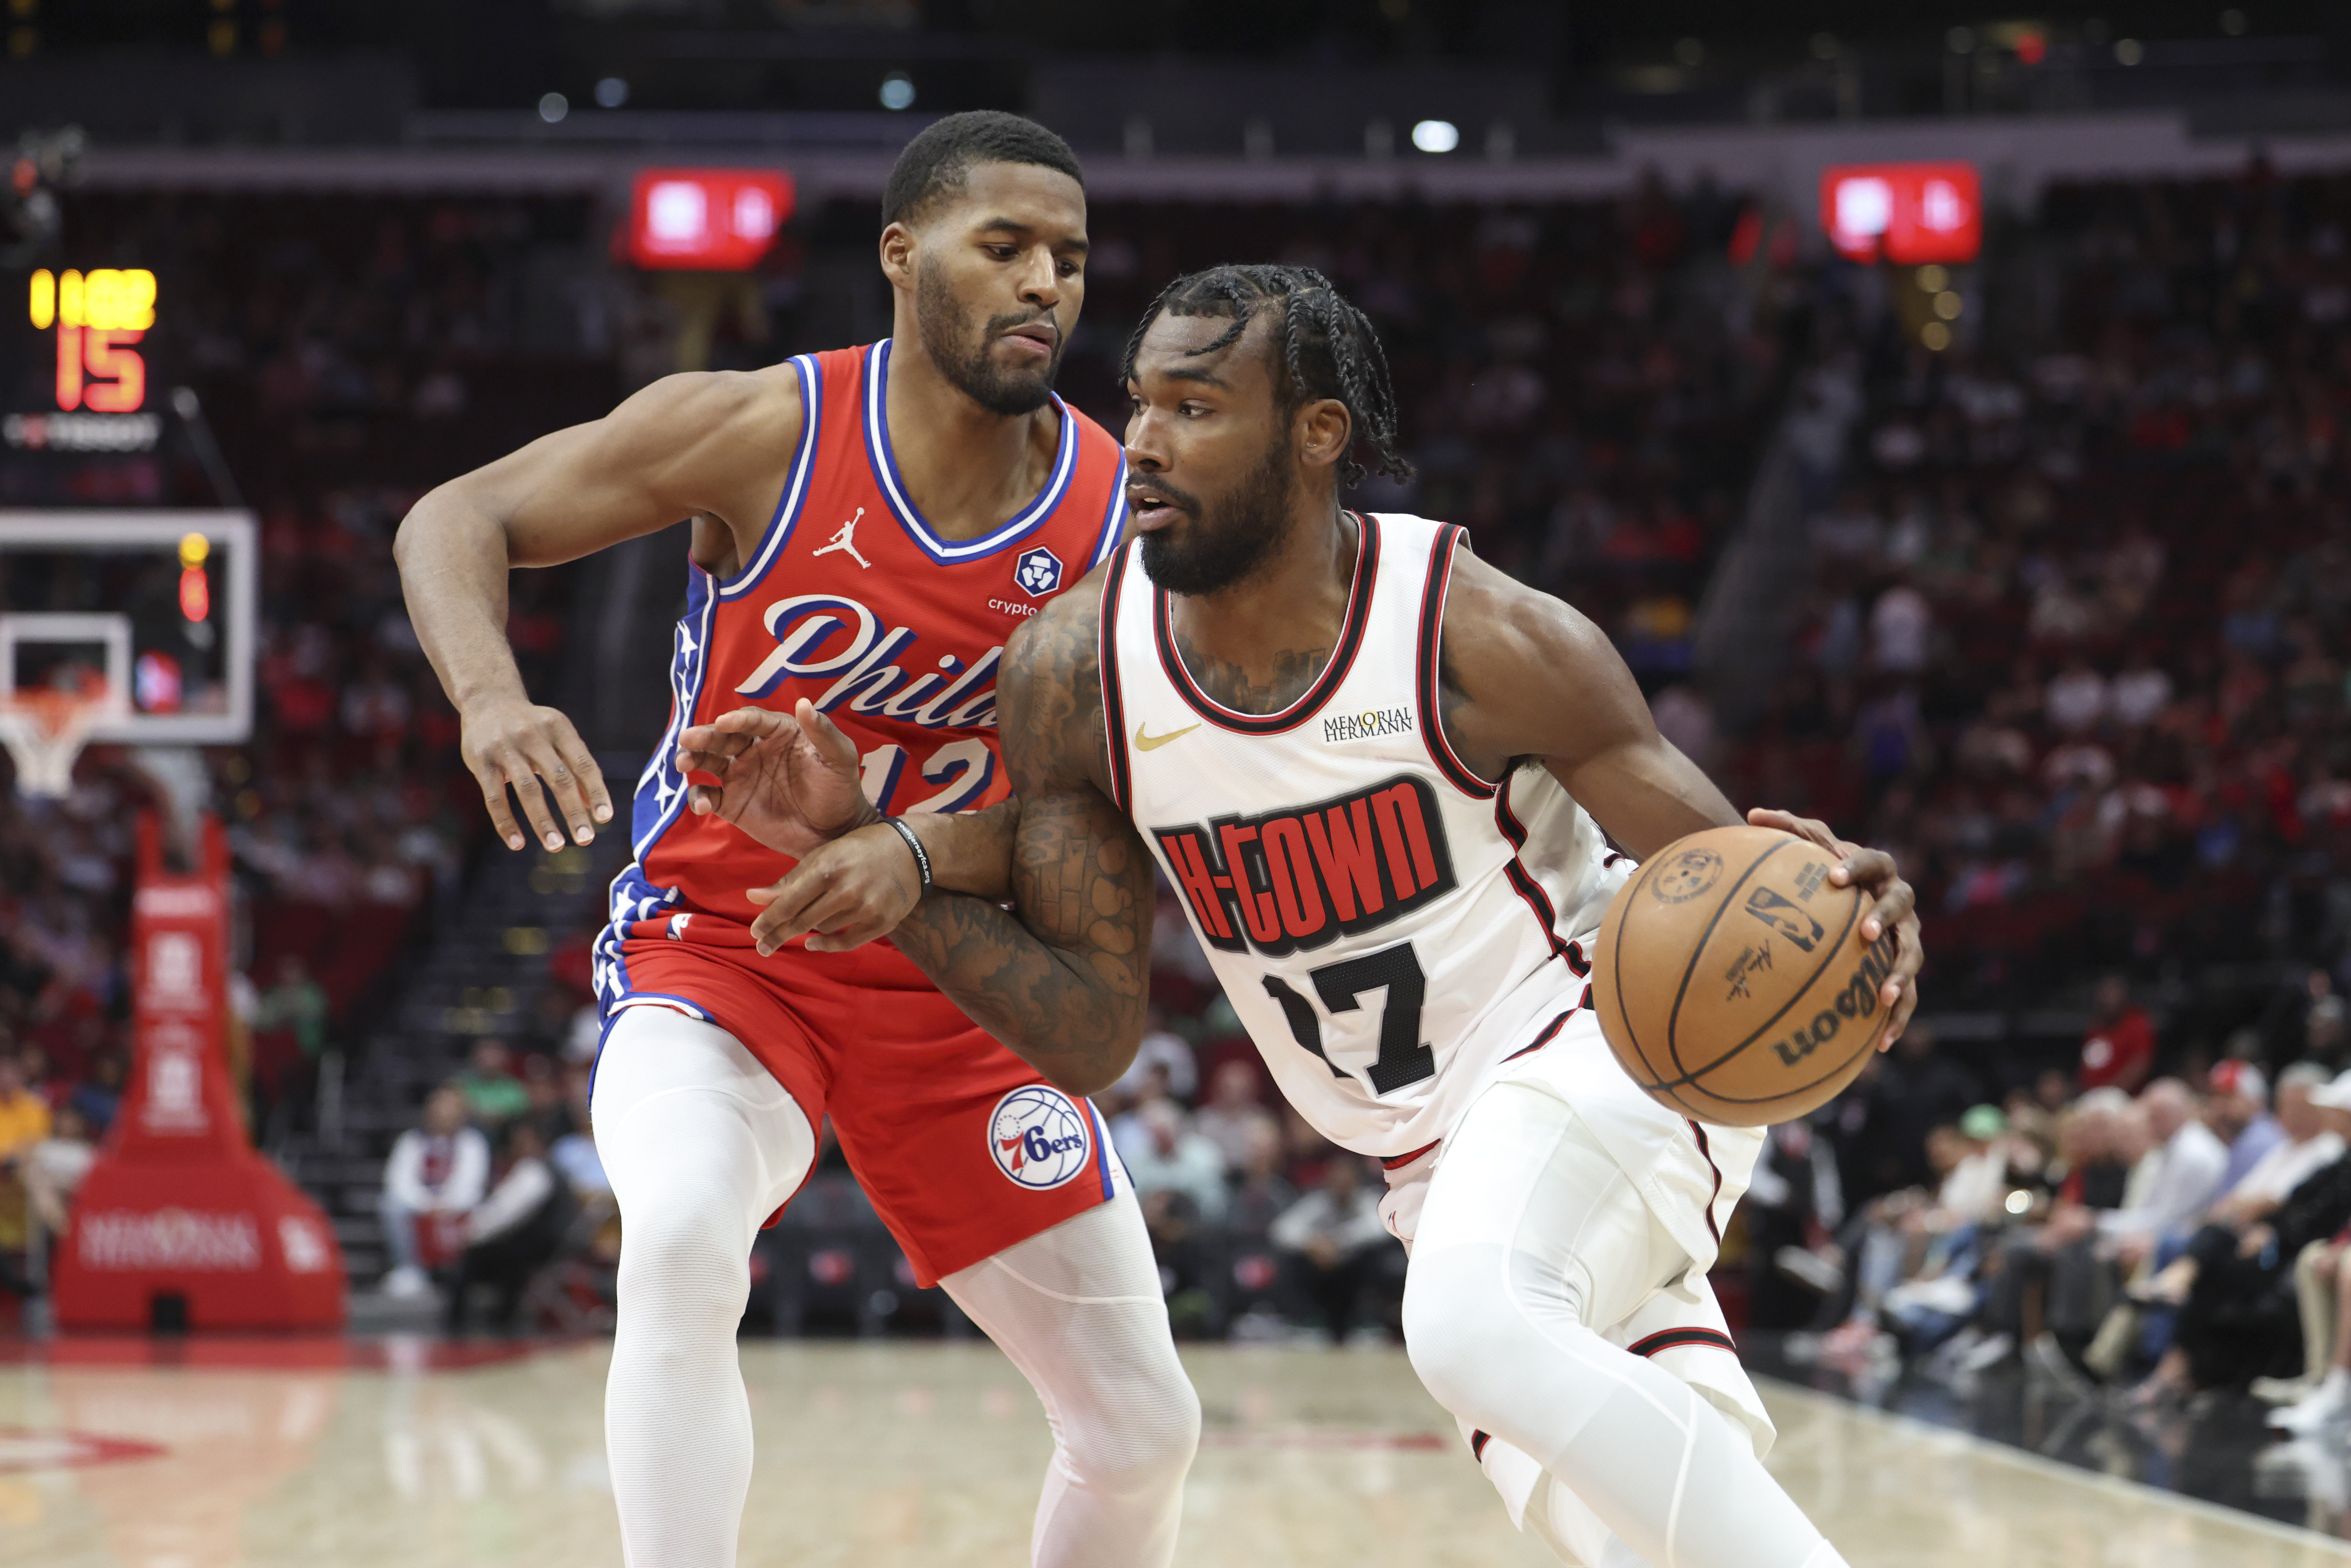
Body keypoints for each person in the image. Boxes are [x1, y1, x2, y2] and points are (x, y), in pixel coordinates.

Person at [722, 264, 1921, 1568]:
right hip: (1425, 1155)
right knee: (1631, 1519)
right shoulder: (1076, 671)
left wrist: (1854, 912)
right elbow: (1084, 1030)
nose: (1146, 441)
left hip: (1604, 1040)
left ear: (1315, 433)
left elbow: (1735, 884)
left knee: (1470, 1325)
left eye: (1194, 406)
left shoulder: (1479, 634)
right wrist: (876, 859)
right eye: (1139, 404)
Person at [394, 110, 1198, 1568]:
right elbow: (461, 513)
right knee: (686, 1240)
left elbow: (1111, 808)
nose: (1045, 286)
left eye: (1070, 260)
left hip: (955, 993)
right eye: (1003, 246)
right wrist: (492, 699)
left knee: (1143, 1426)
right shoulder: (766, 429)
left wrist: (904, 843)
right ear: (902, 257)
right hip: (723, 962)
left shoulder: (1112, 517)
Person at [445, 1120, 578, 1335]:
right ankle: (501, 1316)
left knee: (473, 1259)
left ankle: (458, 1324)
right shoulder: (549, 1170)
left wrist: (469, 1234)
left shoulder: (535, 1171)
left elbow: (505, 1214)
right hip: (545, 1246)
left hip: (537, 1248)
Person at [379, 1084, 491, 1300]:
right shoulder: (411, 1141)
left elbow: (472, 1184)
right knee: (390, 1205)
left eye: (451, 1107)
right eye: (440, 1105)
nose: (444, 1113)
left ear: (463, 1113)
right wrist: (427, 1204)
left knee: (482, 1210)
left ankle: (463, 1272)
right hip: (421, 1209)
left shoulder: (473, 1143)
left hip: (458, 1209)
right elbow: (398, 1182)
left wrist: (445, 1204)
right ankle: (410, 1269)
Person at [1270, 1153, 1394, 1343]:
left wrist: (1336, 1242)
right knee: (1290, 1261)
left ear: (1357, 1180)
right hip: (1322, 1275)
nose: (1341, 1183)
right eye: (1336, 1178)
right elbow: (1282, 1230)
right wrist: (1313, 1244)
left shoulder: (1368, 1201)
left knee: (1378, 1256)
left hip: (1354, 1275)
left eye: (1347, 1178)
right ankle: (1307, 1324)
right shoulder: (1318, 1203)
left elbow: (1379, 1228)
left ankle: (1367, 1324)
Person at [2078, 974, 2155, 1092]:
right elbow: (2087, 1068)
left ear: (2124, 995)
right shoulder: (2096, 1027)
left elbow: (2140, 1065)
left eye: (2113, 993)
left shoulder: (2136, 1022)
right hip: (2093, 1096)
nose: (2109, 998)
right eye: (2105, 993)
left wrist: (2111, 1090)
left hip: (2125, 1096)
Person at [451, 1038, 530, 1127]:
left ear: (504, 1059)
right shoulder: (461, 1083)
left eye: (494, 1056)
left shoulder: (513, 1086)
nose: (490, 1061)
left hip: (506, 1133)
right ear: (475, 1057)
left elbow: (520, 1109)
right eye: (485, 1055)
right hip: (468, 1131)